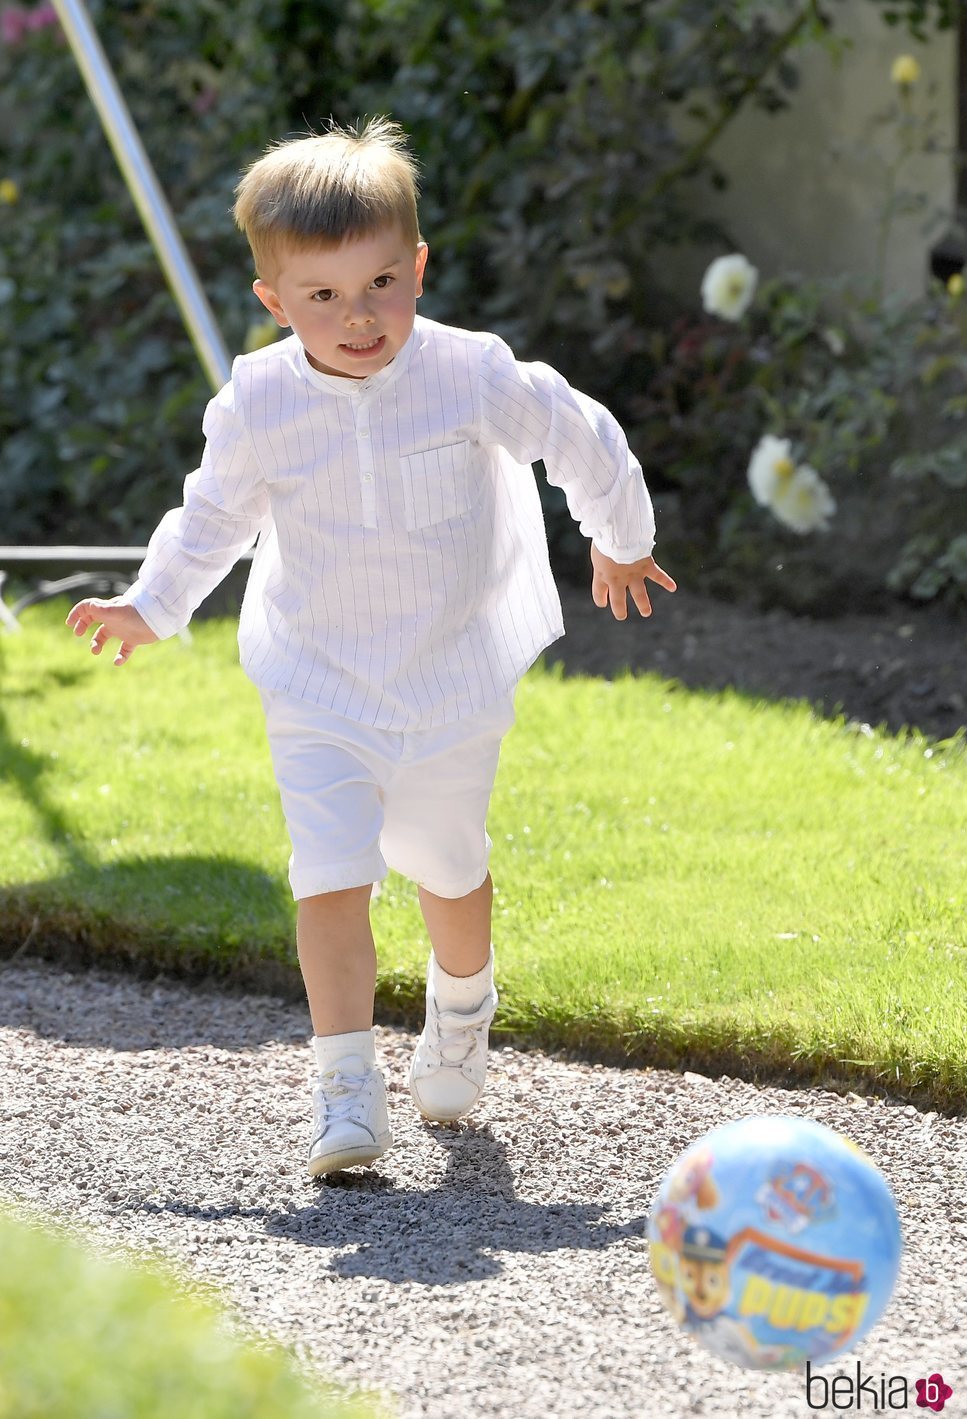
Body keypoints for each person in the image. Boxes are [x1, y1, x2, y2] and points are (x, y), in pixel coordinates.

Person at [66, 117, 676, 1178]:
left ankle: (460, 1004)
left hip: (449, 675)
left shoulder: (468, 374)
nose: (358, 317)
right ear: (273, 301)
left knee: (445, 863)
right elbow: (212, 516)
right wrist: (152, 605)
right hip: (318, 680)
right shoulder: (259, 400)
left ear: (418, 268)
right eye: (323, 297)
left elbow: (577, 430)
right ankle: (345, 1089)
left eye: (382, 285)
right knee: (329, 876)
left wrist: (620, 539)